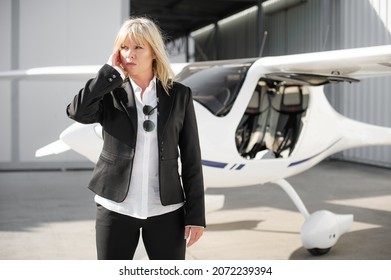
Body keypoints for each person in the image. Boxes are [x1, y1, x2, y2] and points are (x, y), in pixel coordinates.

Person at [66, 17, 205, 260]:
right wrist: (107, 74)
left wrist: (196, 215)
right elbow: (77, 111)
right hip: (115, 208)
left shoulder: (180, 95)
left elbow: (192, 157)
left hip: (167, 210)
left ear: (154, 52)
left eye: (138, 47)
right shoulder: (108, 93)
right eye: (124, 47)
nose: (130, 54)